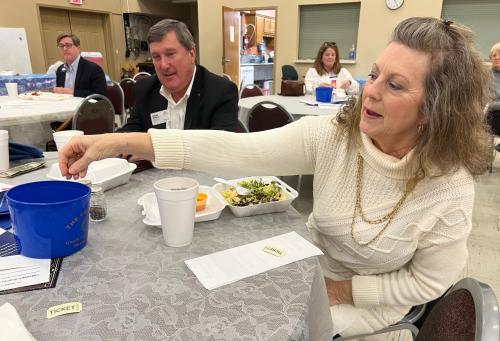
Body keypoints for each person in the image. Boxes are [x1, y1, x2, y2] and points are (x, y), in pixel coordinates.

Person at [59, 17, 492, 338]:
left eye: (395, 85)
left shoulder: (449, 185)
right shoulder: (335, 135)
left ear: (435, 110)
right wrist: (118, 143)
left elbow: (428, 282)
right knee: (213, 302)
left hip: (373, 301)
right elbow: (235, 150)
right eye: (374, 74)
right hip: (304, 265)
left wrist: (341, 291)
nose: (371, 91)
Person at [118, 19, 238, 133]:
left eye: (170, 54)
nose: (163, 65)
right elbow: (130, 133)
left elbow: (218, 147)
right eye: (156, 57)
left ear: (191, 54)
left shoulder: (221, 92)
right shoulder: (144, 89)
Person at [487, 42, 500, 151]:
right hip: (493, 116)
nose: (497, 58)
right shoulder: (485, 76)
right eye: (494, 55)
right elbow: (487, 103)